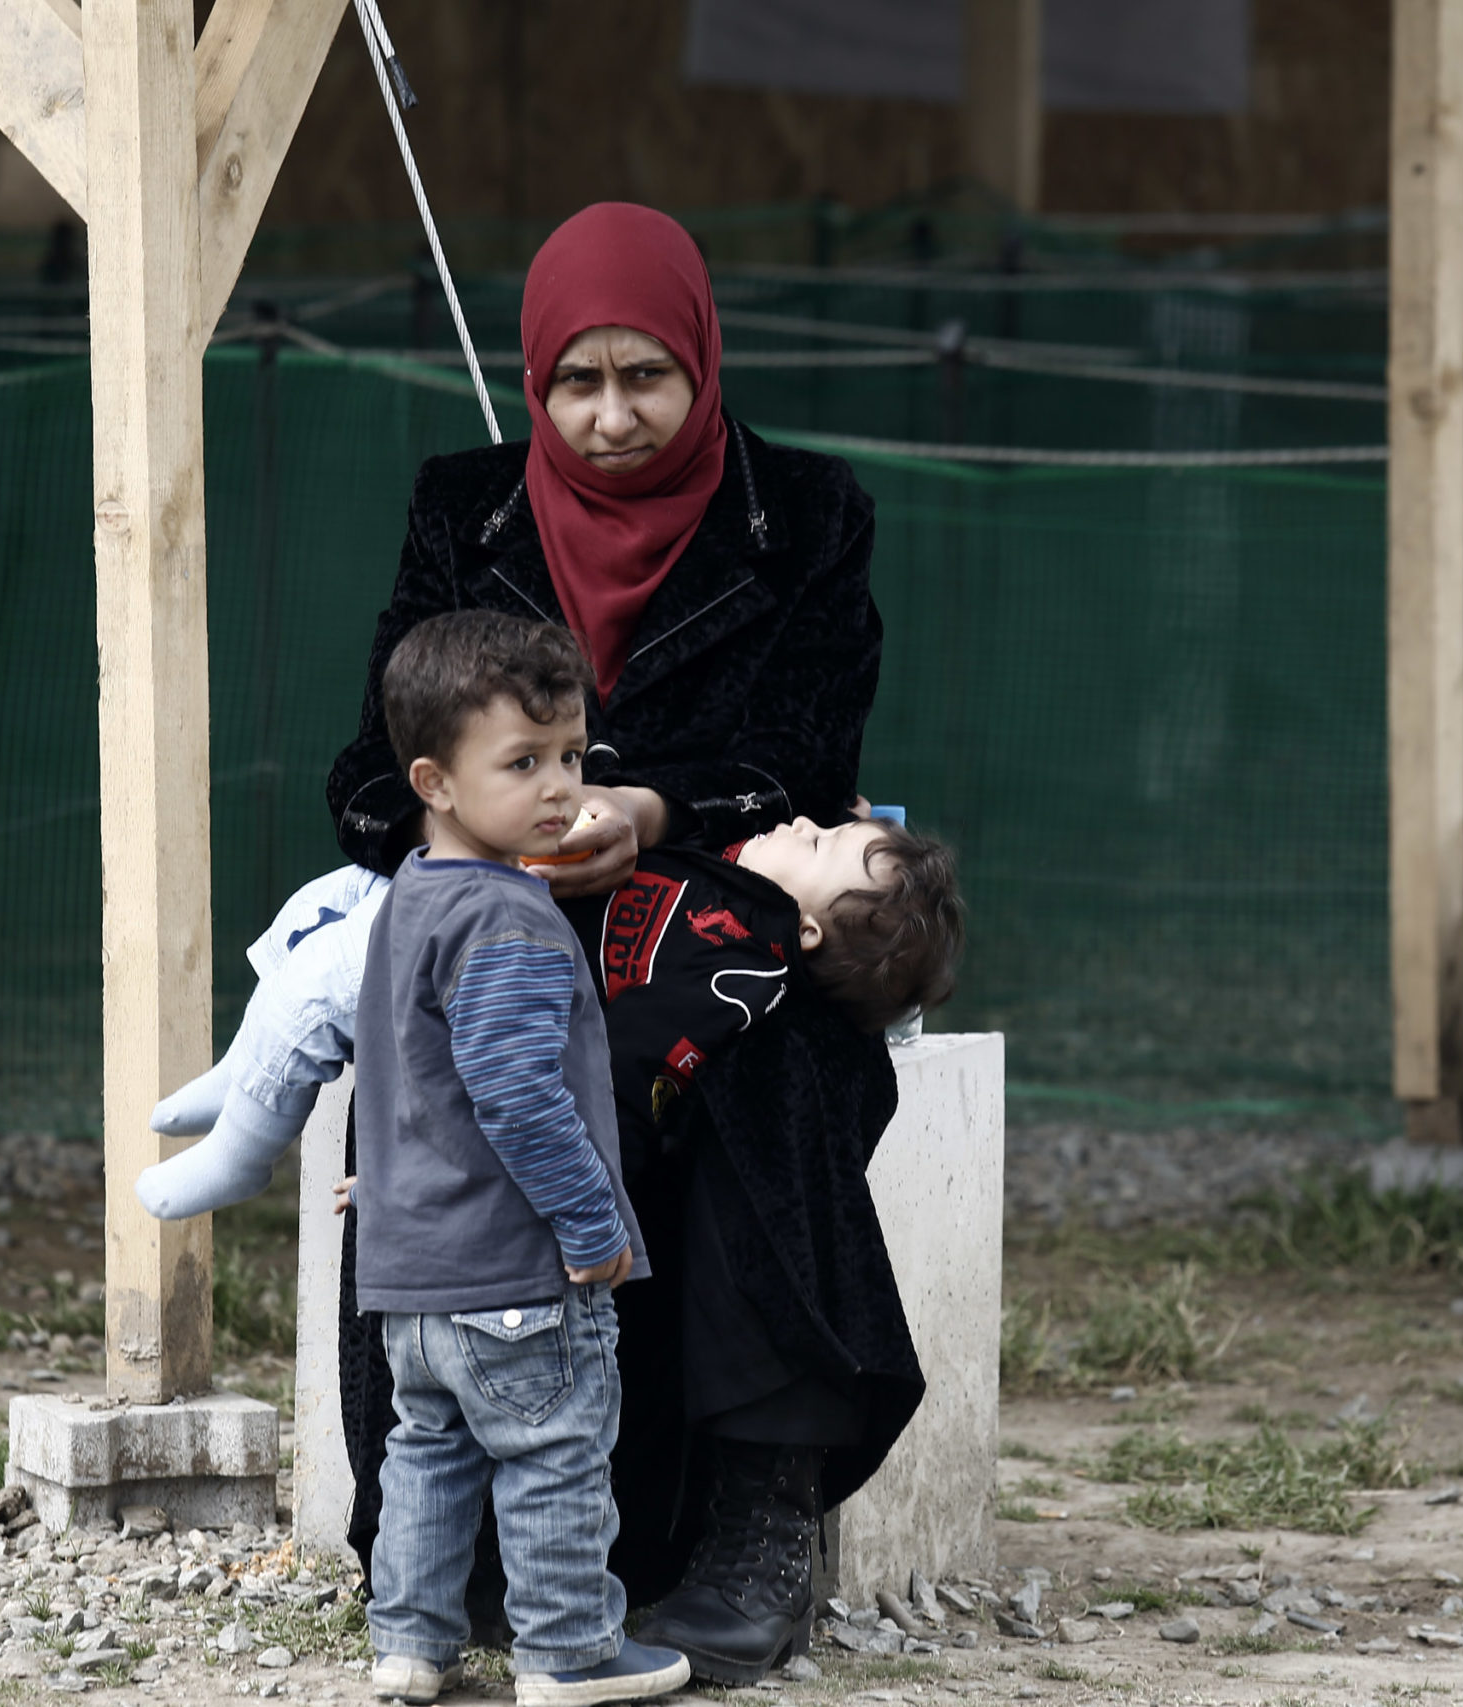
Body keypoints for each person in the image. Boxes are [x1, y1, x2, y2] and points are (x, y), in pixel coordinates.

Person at [324, 199, 922, 1687]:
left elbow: (804, 746)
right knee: (466, 1053)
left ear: (703, 363)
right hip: (514, 917)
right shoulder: (462, 508)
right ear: (533, 380)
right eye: (574, 382)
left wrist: (648, 808)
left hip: (714, 909)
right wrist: (496, 844)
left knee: (781, 1070)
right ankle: (441, 1549)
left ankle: (757, 1517)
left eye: (644, 376)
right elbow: (370, 768)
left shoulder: (810, 513)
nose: (606, 417)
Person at [349, 608, 690, 1707]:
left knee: (430, 1455)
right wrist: (595, 1227)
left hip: (413, 1276)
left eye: (574, 757)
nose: (561, 788)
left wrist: (385, 1182)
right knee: (552, 1456)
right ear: (433, 781)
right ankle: (569, 1653)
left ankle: (407, 1644)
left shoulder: (409, 897)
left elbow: (410, 1078)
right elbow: (511, 1095)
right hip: (516, 1272)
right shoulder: (510, 921)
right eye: (523, 762)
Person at [135, 810, 964, 1222]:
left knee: (324, 979)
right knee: (342, 892)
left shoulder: (739, 969)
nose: (801, 821)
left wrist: (441, 1168)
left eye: (820, 844)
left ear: (809, 926)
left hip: (488, 972)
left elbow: (627, 1079)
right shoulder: (736, 880)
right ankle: (249, 1074)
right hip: (481, 901)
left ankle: (246, 1149)